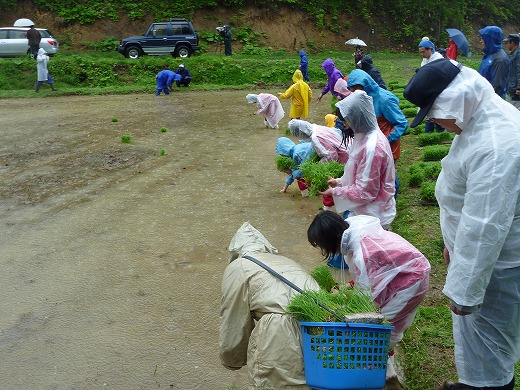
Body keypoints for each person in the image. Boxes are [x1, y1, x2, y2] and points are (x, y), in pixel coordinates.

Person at [403, 58, 520, 390]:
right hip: (484, 258)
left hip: (498, 263)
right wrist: (450, 241)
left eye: (435, 112)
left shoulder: (497, 145)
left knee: (490, 338)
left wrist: (464, 291)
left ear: (454, 99)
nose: (437, 122)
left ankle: (489, 386)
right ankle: (476, 382)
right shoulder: (479, 119)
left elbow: (484, 226)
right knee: (478, 339)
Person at [307, 211, 431, 390]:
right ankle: (384, 372)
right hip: (402, 272)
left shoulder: (361, 252)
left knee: (380, 330)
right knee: (380, 332)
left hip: (410, 281)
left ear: (331, 239)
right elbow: (376, 273)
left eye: (323, 246)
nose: (325, 251)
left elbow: (367, 301)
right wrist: (350, 285)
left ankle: (381, 378)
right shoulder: (354, 229)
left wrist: (344, 310)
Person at [220, 222, 320, 389]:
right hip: (319, 327)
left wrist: (231, 359)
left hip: (279, 331)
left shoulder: (239, 266)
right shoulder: (286, 261)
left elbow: (234, 318)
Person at [321, 90, 396, 228]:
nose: (344, 124)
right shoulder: (364, 136)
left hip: (373, 217)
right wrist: (338, 182)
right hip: (365, 210)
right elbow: (359, 174)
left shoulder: (372, 147)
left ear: (357, 117)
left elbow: (365, 192)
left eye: (346, 119)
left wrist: (334, 192)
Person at [346, 69, 408, 199]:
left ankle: (388, 204)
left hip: (387, 145)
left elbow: (402, 124)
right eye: (352, 90)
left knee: (387, 177)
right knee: (375, 175)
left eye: (356, 89)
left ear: (365, 85)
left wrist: (385, 140)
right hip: (371, 143)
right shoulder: (363, 99)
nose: (354, 93)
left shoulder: (384, 99)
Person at [288, 118, 348, 212]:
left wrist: (318, 166)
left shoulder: (315, 137)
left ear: (301, 132)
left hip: (342, 161)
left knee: (330, 186)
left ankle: (327, 211)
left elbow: (331, 156)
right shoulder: (317, 127)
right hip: (346, 153)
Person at [418, 39, 445, 133]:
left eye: (423, 52)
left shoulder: (438, 59)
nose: (422, 54)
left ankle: (439, 132)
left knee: (436, 111)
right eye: (420, 53)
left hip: (437, 90)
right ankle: (429, 133)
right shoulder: (425, 59)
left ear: (430, 49)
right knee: (429, 112)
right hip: (428, 89)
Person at [478, 26, 510, 99]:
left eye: (483, 38)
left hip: (491, 103)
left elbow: (497, 87)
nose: (480, 41)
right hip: (482, 99)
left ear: (490, 39)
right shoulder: (489, 55)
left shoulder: (500, 59)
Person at [503, 33, 520, 110]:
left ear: (512, 43)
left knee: (514, 111)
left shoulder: (518, 55)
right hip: (512, 87)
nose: (506, 45)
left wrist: (519, 88)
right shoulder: (513, 54)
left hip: (515, 90)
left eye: (507, 42)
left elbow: (519, 71)